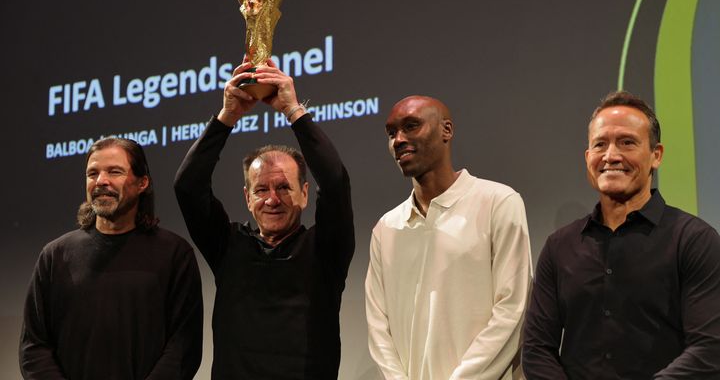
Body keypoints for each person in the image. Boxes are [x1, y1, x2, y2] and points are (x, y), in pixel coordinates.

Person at [522, 91, 720, 379]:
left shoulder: (694, 240)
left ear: (655, 155)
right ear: (588, 158)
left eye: (627, 142)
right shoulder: (558, 247)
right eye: (600, 144)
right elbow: (537, 350)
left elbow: (712, 352)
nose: (611, 155)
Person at [174, 57, 354, 379]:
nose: (272, 199)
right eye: (261, 190)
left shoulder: (326, 248)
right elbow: (188, 187)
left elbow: (335, 181)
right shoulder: (227, 245)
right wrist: (227, 116)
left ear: (304, 193)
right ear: (247, 198)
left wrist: (293, 111)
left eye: (284, 187)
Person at [365, 95, 532, 379]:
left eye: (411, 126)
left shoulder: (498, 202)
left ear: (447, 130)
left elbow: (513, 310)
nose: (398, 140)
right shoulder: (386, 228)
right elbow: (378, 325)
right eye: (392, 133)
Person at [19, 137, 203, 380]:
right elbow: (34, 346)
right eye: (92, 173)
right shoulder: (55, 256)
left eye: (114, 172)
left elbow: (183, 347)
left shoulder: (175, 255)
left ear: (142, 183)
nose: (101, 181)